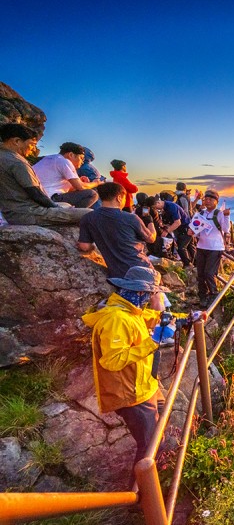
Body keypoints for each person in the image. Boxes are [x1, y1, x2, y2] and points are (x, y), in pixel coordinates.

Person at [81, 266, 170, 471]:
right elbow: (112, 361)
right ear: (140, 292)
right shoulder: (116, 319)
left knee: (161, 421)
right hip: (131, 394)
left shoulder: (132, 311)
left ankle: (159, 474)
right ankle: (143, 496)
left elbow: (153, 317)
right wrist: (153, 342)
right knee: (150, 448)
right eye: (151, 293)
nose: (151, 298)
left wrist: (186, 318)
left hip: (144, 385)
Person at [0, 123, 91, 226]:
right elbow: (35, 193)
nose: (33, 149)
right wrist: (57, 210)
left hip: (10, 211)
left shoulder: (4, 156)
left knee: (66, 205)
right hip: (28, 213)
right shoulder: (16, 161)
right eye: (32, 144)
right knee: (90, 213)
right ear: (17, 141)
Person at [77, 182, 156, 278]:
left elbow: (84, 246)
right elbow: (151, 239)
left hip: (117, 275)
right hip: (142, 270)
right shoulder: (131, 218)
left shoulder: (88, 218)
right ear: (119, 198)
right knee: (161, 292)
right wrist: (150, 222)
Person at [189, 189, 230, 308]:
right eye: (206, 199)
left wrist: (227, 216)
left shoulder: (219, 214)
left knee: (209, 273)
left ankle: (214, 295)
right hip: (201, 246)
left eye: (211, 199)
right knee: (200, 273)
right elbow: (195, 231)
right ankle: (203, 296)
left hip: (215, 248)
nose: (208, 201)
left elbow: (226, 229)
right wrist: (191, 232)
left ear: (216, 202)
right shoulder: (200, 214)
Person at [33, 142, 100, 209]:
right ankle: (71, 216)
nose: (82, 162)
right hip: (49, 198)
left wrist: (80, 181)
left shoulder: (48, 159)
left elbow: (68, 188)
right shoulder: (64, 161)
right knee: (92, 194)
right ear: (71, 155)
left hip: (37, 195)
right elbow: (80, 187)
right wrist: (96, 183)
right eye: (81, 158)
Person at [155, 193, 193, 268]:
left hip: (185, 228)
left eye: (156, 207)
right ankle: (194, 264)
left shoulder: (171, 206)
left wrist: (166, 231)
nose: (156, 209)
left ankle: (188, 265)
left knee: (181, 248)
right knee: (190, 247)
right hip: (180, 229)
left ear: (158, 202)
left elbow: (178, 222)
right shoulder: (166, 207)